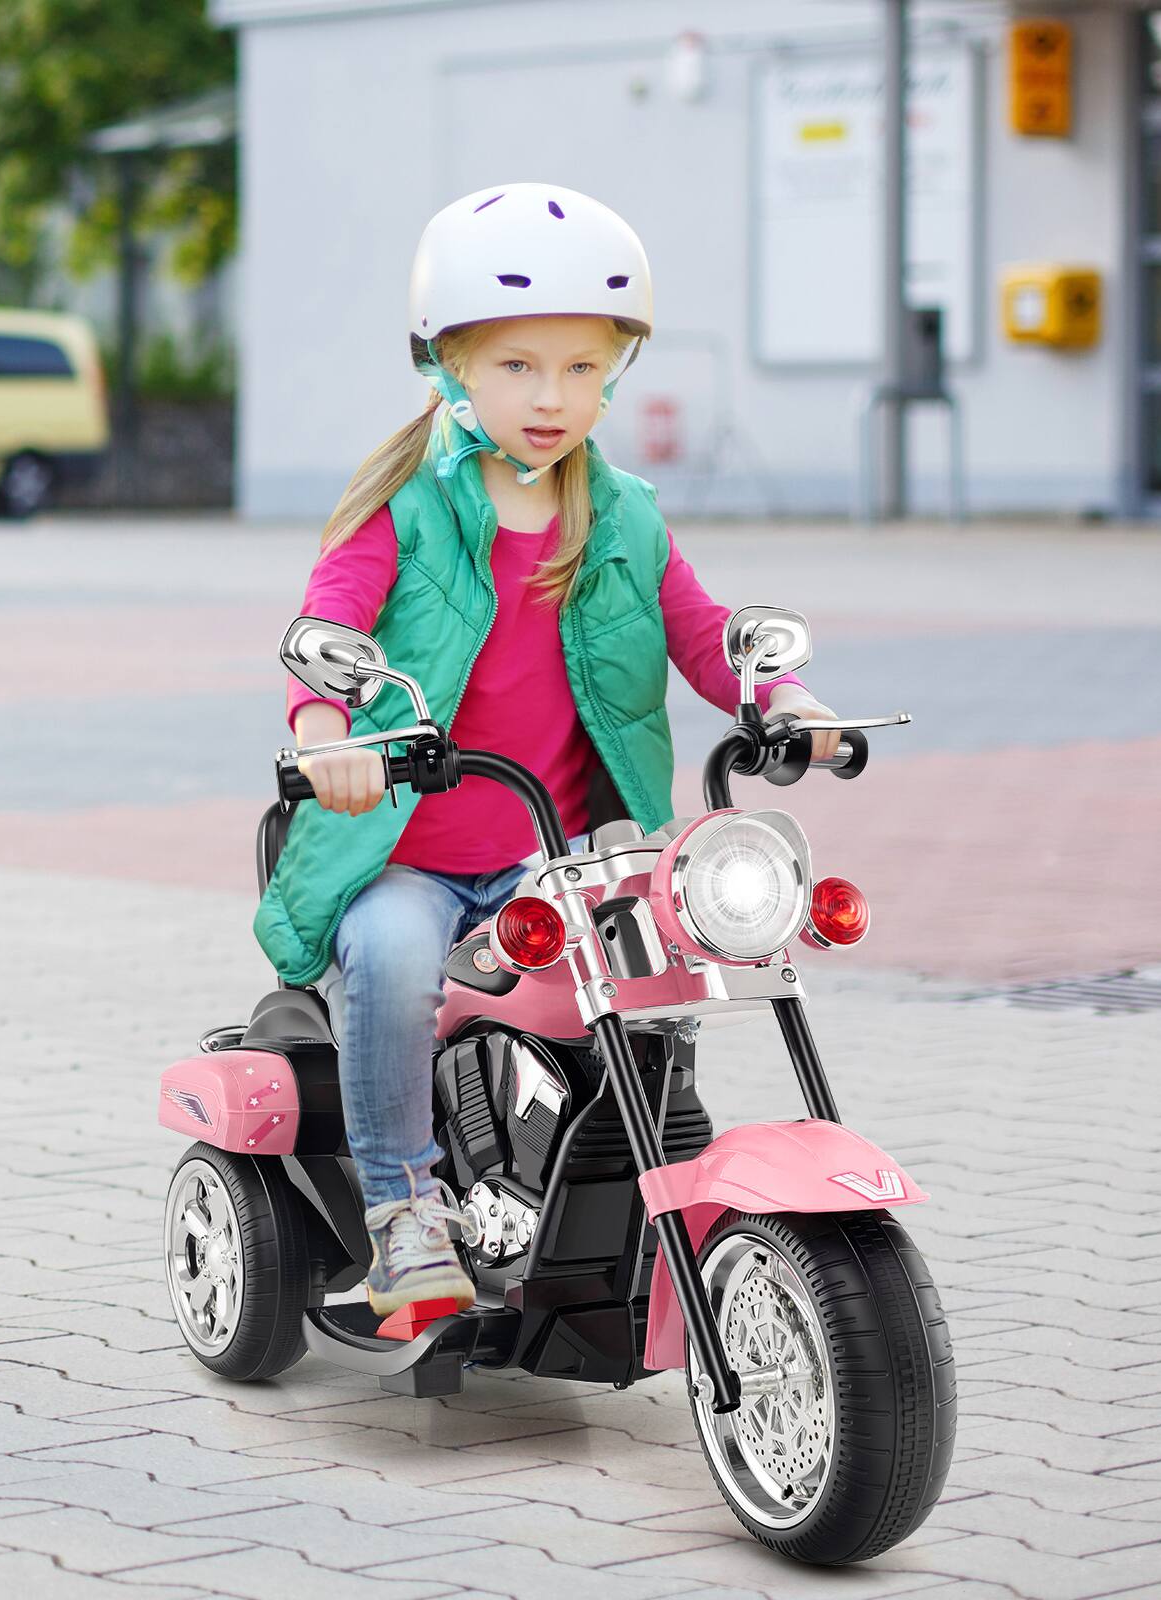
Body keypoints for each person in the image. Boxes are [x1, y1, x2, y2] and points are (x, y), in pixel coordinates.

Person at [255, 182, 841, 1316]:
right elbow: (329, 620)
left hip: (556, 855)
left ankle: (630, 1188)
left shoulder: (619, 515)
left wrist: (783, 694)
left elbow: (698, 629)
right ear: (449, 363)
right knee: (384, 957)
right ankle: (402, 1208)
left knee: (657, 963)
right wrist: (327, 730)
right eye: (519, 365)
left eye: (582, 368)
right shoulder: (404, 510)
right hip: (406, 852)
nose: (552, 396)